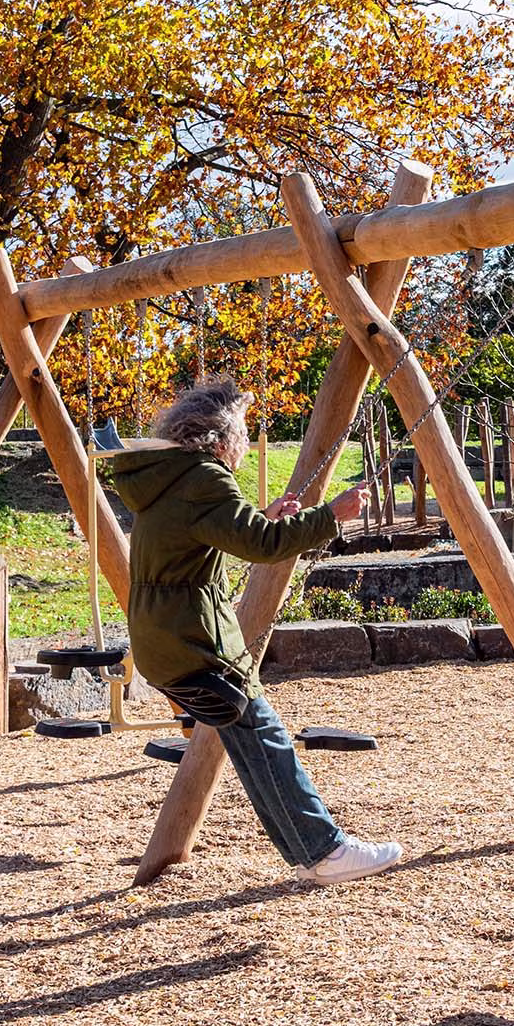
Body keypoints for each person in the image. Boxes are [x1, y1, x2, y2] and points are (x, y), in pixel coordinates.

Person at [106, 378, 401, 885]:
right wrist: (332, 515)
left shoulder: (164, 478)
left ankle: (315, 852)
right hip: (196, 644)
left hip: (160, 643)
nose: (244, 446)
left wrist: (261, 517)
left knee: (250, 740)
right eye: (242, 435)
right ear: (222, 439)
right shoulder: (204, 479)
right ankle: (324, 851)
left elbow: (199, 540)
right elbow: (264, 547)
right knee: (264, 738)